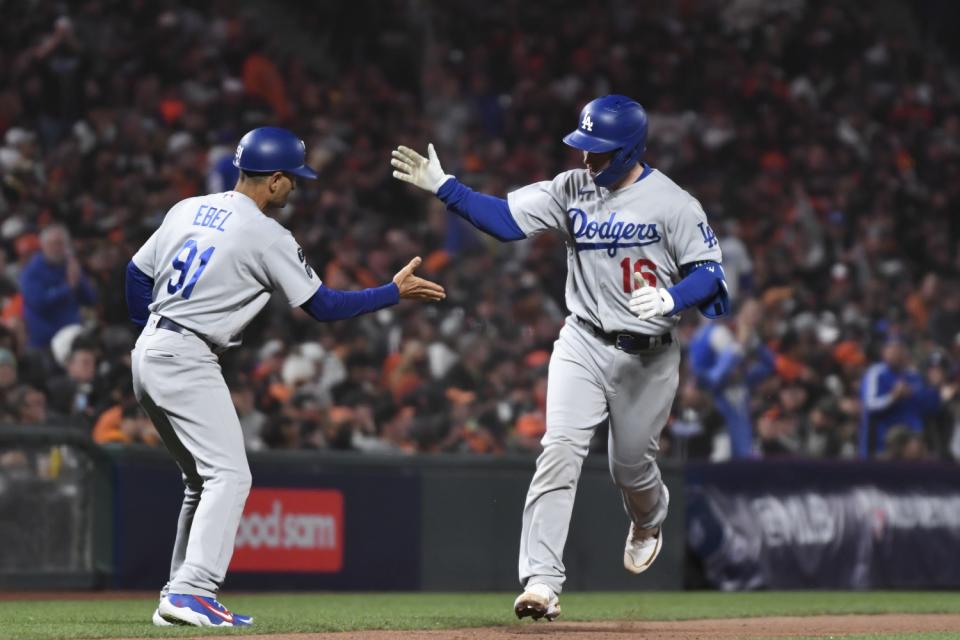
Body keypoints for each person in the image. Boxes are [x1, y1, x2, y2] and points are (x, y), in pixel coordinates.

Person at [392, 94, 729, 620]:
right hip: (582, 342)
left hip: (649, 355)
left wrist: (673, 296)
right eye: (585, 147)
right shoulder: (570, 187)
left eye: (600, 152)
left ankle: (649, 518)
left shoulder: (674, 203)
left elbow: (710, 273)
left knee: (629, 468)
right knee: (560, 451)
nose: (588, 160)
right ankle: (542, 582)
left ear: (631, 149)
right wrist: (445, 187)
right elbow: (505, 220)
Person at [126, 126, 445, 628]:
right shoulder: (266, 232)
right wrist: (390, 292)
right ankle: (193, 591)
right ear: (273, 180)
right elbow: (323, 306)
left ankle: (177, 592)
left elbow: (136, 274)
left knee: (199, 481)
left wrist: (155, 332)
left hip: (150, 349)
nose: (296, 187)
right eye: (293, 179)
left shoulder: (186, 208)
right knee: (230, 476)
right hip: (186, 353)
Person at [687, 298, 774, 458]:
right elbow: (715, 376)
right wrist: (739, 346)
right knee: (726, 451)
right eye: (750, 312)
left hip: (736, 406)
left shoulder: (746, 336)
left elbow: (768, 366)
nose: (754, 317)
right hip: (717, 408)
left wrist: (752, 343)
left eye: (757, 313)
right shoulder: (714, 333)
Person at [859, 337, 940, 458]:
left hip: (914, 438)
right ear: (884, 352)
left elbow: (930, 407)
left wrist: (921, 391)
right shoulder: (876, 373)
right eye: (893, 350)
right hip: (884, 442)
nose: (897, 354)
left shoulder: (914, 375)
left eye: (900, 350)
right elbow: (870, 405)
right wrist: (893, 396)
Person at [19, 224, 97, 349]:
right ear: (43, 245)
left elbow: (90, 299)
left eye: (61, 243)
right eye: (53, 243)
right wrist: (68, 287)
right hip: (45, 342)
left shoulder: (70, 266)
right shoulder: (32, 272)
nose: (57, 248)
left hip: (73, 337)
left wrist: (79, 281)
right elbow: (39, 303)